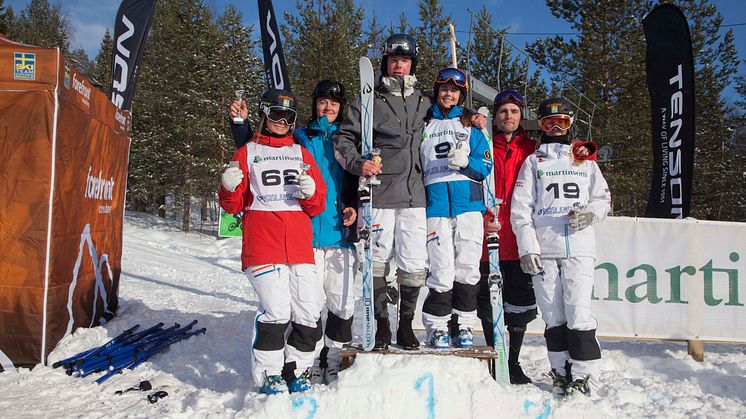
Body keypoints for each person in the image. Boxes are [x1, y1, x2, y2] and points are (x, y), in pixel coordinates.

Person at [219, 88, 327, 395]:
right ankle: (269, 372)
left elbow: (317, 205)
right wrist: (227, 188)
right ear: (264, 114)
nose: (282, 121)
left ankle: (298, 368)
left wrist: (310, 192)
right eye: (277, 114)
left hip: (299, 248)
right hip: (263, 246)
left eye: (288, 117)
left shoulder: (301, 153)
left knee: (309, 312)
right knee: (277, 312)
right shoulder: (247, 152)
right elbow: (232, 205)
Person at [334, 33, 430, 351]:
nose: (399, 65)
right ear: (386, 63)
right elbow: (343, 139)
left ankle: (405, 324)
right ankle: (381, 323)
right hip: (380, 193)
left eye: (404, 60)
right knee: (376, 262)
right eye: (393, 60)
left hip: (416, 195)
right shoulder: (369, 99)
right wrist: (358, 163)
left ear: (412, 63)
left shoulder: (424, 101)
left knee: (414, 264)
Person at [510, 97, 611, 396]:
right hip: (545, 249)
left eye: (562, 122)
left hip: (579, 246)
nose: (555, 128)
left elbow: (602, 198)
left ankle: (583, 375)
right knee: (553, 315)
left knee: (579, 311)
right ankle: (560, 370)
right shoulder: (533, 162)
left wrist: (590, 213)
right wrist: (527, 247)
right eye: (548, 123)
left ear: (570, 124)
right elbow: (521, 209)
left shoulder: (584, 160)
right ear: (540, 126)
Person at [420, 67, 492, 349]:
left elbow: (485, 166)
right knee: (441, 268)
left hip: (468, 205)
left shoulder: (471, 126)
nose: (448, 94)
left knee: (467, 268)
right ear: (437, 92)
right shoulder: (425, 124)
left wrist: (467, 163)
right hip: (435, 205)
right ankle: (437, 327)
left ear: (461, 95)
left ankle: (464, 323)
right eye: (444, 89)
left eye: (454, 90)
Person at [293, 80, 359, 384]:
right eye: (323, 102)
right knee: (308, 304)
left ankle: (332, 357)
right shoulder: (300, 138)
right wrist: (239, 124)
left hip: (340, 234)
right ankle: (309, 359)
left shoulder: (348, 139)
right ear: (315, 104)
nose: (328, 107)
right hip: (305, 235)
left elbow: (360, 179)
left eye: (334, 103)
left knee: (342, 302)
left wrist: (355, 207)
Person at [476, 90, 540, 385]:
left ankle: (512, 361)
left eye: (514, 111)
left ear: (521, 115)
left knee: (518, 303)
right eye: (503, 112)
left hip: (517, 239)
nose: (508, 117)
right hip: (486, 235)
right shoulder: (483, 143)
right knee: (487, 302)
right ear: (496, 116)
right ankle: (495, 357)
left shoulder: (534, 149)